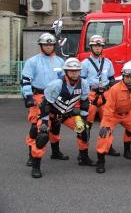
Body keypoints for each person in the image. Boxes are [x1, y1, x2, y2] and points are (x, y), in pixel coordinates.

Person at [29, 58, 94, 178]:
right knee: (43, 136)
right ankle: (35, 165)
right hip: (49, 113)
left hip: (67, 113)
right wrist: (44, 122)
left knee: (84, 131)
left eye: (77, 71)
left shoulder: (84, 83)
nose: (74, 73)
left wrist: (84, 120)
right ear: (66, 72)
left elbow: (84, 102)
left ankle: (83, 158)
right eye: (71, 71)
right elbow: (45, 104)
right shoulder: (57, 84)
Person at [95, 62, 131, 173]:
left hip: (128, 113)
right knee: (104, 135)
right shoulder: (115, 89)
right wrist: (106, 124)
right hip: (113, 114)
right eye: (127, 76)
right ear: (123, 76)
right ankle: (101, 161)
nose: (130, 79)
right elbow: (109, 108)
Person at [21, 33, 65, 166]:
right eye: (46, 44)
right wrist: (28, 96)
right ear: (41, 45)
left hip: (56, 97)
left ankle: (55, 152)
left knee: (56, 124)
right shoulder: (33, 61)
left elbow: (64, 80)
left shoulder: (60, 61)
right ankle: (31, 154)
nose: (48, 47)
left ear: (54, 46)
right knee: (37, 127)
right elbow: (25, 80)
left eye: (51, 44)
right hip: (39, 96)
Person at [81, 35, 120, 157]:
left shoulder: (107, 63)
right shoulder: (85, 63)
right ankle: (83, 152)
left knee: (108, 123)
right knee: (86, 124)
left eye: (100, 46)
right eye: (95, 46)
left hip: (105, 95)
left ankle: (108, 146)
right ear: (91, 47)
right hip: (91, 95)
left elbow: (112, 79)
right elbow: (80, 81)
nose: (98, 48)